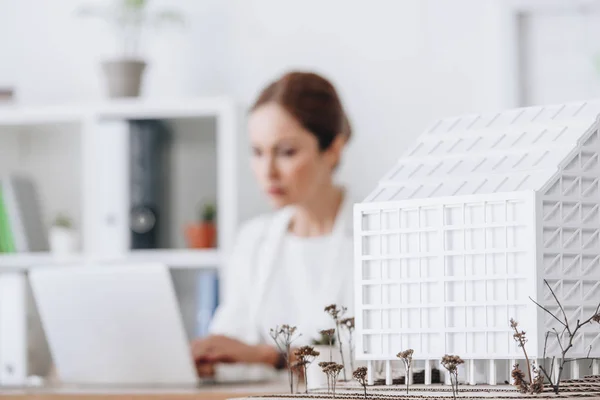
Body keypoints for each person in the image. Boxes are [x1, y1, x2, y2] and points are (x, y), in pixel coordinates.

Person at [191, 71, 355, 381]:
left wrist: (270, 356)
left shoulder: (377, 241)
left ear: (333, 148)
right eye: (257, 152)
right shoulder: (253, 240)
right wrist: (209, 359)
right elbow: (231, 343)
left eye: (286, 152)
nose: (267, 171)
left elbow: (377, 367)